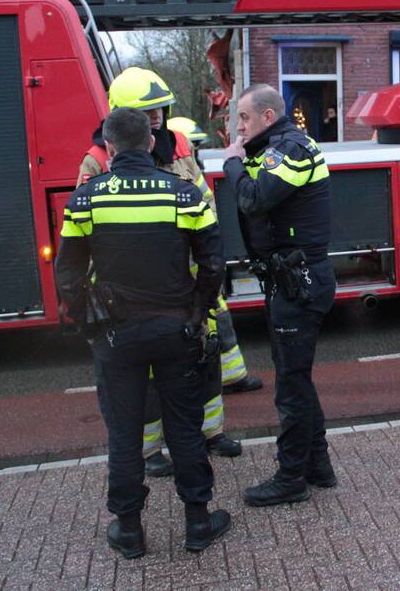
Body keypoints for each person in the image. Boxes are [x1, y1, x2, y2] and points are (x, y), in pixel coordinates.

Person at [55, 107, 231, 558]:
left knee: (125, 433)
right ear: (152, 142)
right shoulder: (185, 194)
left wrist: (84, 317)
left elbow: (68, 271)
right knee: (185, 428)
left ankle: (129, 531)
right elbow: (214, 263)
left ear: (109, 148)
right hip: (175, 330)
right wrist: (198, 310)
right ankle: (197, 523)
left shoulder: (86, 198)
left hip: (115, 336)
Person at [77, 67, 261, 479]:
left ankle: (212, 433)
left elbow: (202, 198)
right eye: (148, 111)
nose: (157, 117)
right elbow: (90, 231)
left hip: (193, 281)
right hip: (145, 290)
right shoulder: (97, 160)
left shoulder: (178, 143)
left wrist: (206, 259)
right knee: (146, 375)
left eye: (160, 108)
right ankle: (149, 451)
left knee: (208, 358)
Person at [222, 84, 336, 507]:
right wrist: (245, 154)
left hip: (299, 282)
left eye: (244, 119)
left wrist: (232, 163)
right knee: (297, 378)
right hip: (291, 279)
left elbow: (254, 199)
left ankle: (291, 478)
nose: (238, 128)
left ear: (268, 117)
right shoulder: (275, 148)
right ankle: (318, 464)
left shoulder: (293, 149)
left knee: (290, 385)